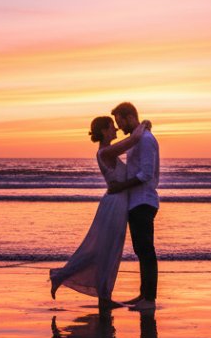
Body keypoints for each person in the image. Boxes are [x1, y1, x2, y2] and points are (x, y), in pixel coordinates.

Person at [50, 115, 150, 308]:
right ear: (104, 131)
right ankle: (72, 281)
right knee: (106, 250)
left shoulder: (108, 152)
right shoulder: (105, 152)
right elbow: (134, 140)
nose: (116, 130)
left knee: (108, 250)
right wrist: (144, 124)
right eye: (112, 127)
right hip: (114, 205)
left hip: (118, 203)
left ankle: (103, 294)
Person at [107, 102, 159, 311]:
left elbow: (145, 174)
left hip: (143, 200)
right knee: (141, 250)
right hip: (136, 201)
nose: (119, 128)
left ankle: (150, 299)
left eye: (120, 121)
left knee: (146, 250)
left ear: (129, 117)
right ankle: (143, 294)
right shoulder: (137, 139)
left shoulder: (145, 140)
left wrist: (121, 186)